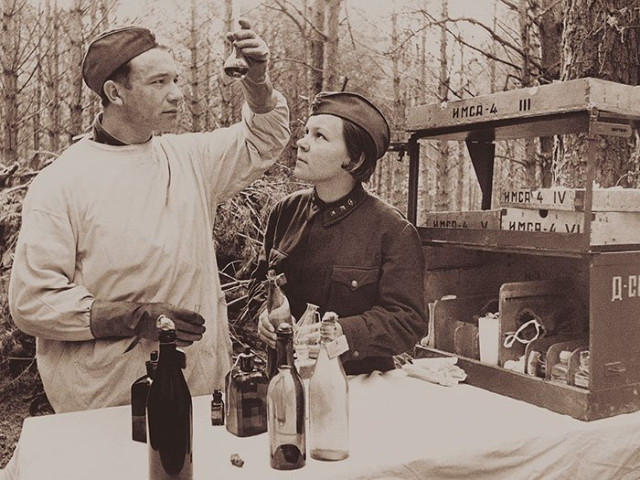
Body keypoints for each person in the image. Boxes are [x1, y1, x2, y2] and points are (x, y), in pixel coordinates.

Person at [8, 21, 290, 413]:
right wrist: (135, 317)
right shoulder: (61, 182)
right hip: (110, 400)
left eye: (175, 80)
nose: (176, 94)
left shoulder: (189, 159)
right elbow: (32, 302)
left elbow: (263, 139)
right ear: (115, 92)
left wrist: (257, 82)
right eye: (158, 82)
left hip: (200, 386)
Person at [255, 91, 426, 375]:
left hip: (357, 386)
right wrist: (264, 315)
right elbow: (261, 283)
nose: (302, 143)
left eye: (319, 136)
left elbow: (408, 321)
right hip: (285, 379)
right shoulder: (285, 212)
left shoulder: (392, 230)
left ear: (353, 159)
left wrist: (343, 334)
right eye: (306, 132)